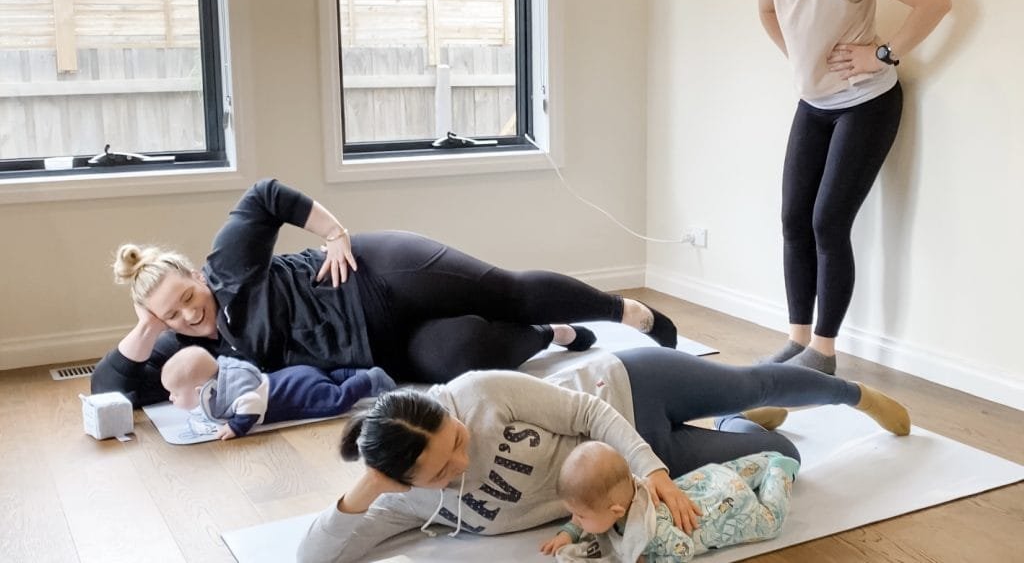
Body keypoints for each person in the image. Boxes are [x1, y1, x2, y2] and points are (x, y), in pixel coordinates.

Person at [91, 178, 678, 407]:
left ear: (196, 274)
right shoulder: (192, 350)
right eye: (174, 314)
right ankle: (556, 335)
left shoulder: (227, 267)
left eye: (187, 295)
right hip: (387, 353)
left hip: (378, 275)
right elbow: (112, 391)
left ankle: (624, 311)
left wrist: (335, 232)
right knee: (459, 363)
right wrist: (146, 324)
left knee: (505, 292)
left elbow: (265, 195)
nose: (191, 312)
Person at [296, 345, 910, 563]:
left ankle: (853, 393)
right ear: (406, 482)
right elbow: (311, 556)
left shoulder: (474, 392)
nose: (463, 456)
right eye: (442, 469)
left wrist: (656, 472)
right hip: (621, 470)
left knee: (756, 380)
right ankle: (737, 426)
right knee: (780, 452)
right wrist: (368, 488)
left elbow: (589, 414)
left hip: (627, 389)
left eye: (457, 438)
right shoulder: (407, 501)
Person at [747, 0, 952, 374]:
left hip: (867, 104)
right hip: (814, 104)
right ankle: (796, 339)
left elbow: (934, 0)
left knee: (826, 223)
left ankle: (825, 351)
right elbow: (769, 13)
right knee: (793, 219)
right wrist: (799, 56)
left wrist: (883, 53)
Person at [541, 441, 799, 561]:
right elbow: (584, 515)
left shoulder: (652, 531)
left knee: (770, 523)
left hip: (724, 509)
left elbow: (682, 549)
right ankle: (764, 457)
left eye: (581, 517)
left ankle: (778, 468)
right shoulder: (629, 490)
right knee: (720, 475)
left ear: (615, 510)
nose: (577, 520)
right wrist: (570, 532)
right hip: (708, 479)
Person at [159, 345, 396, 439]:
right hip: (296, 374)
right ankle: (351, 374)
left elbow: (251, 403)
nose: (171, 399)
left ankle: (367, 379)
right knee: (330, 378)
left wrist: (236, 427)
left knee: (336, 401)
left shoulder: (231, 394)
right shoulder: (228, 377)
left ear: (201, 391)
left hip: (299, 393)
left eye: (175, 394)